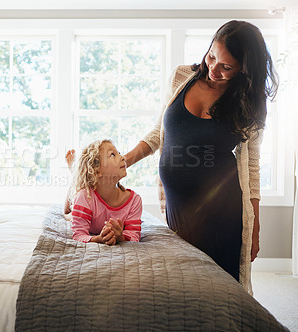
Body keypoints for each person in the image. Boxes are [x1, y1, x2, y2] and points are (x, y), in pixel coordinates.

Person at [124, 20, 278, 293]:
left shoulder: (250, 102)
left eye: (226, 67)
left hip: (224, 211)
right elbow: (158, 133)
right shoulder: (182, 76)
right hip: (179, 206)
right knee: (180, 285)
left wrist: (253, 229)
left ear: (244, 68)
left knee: (219, 291)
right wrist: (121, 163)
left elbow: (252, 167)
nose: (213, 68)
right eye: (212, 56)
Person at [68, 139, 142, 244]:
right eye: (112, 155)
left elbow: (134, 236)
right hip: (84, 203)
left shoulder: (134, 200)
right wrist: (98, 239)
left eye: (119, 153)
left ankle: (75, 172)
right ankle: (73, 172)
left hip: (89, 208)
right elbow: (79, 235)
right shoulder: (85, 197)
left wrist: (120, 237)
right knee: (68, 214)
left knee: (74, 209)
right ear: (97, 171)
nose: (123, 157)